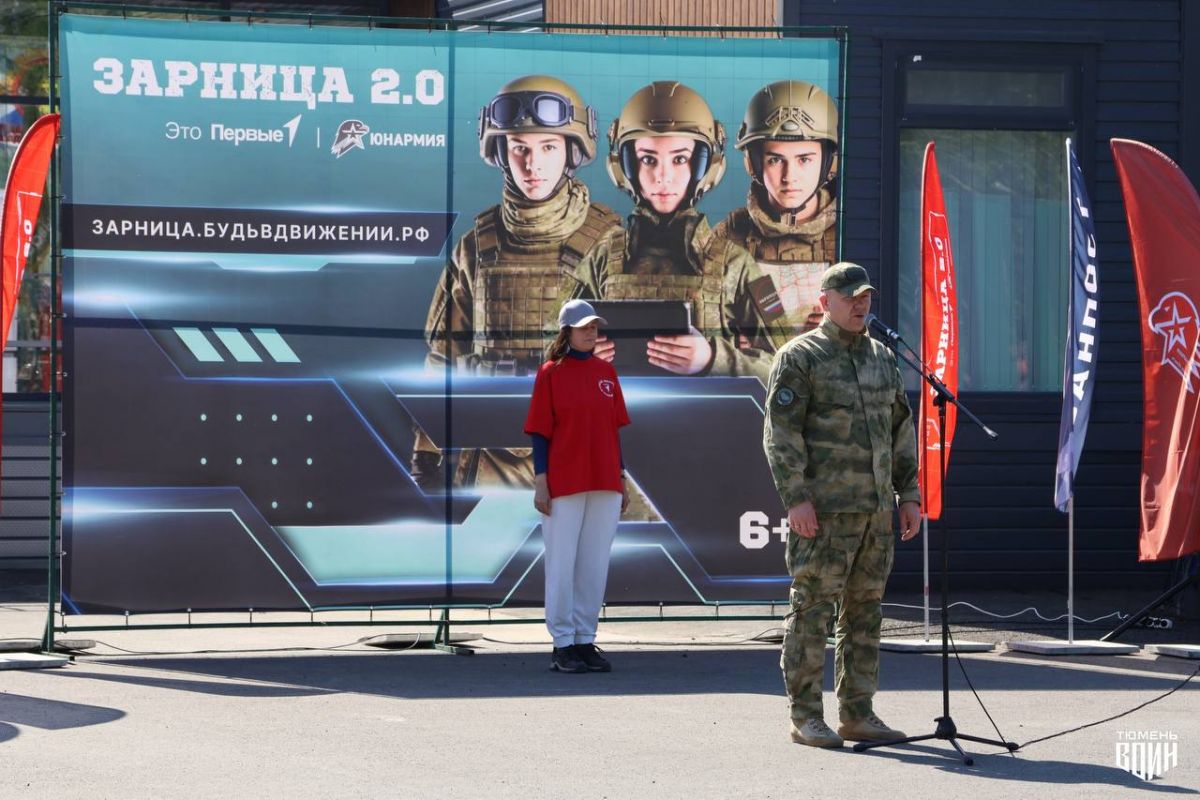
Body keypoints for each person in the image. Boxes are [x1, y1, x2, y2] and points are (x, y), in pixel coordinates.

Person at [413, 75, 624, 490]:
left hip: (580, 450)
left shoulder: (610, 243)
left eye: (548, 147)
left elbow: (640, 367)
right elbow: (444, 357)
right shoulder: (475, 248)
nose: (532, 164)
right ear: (500, 152)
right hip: (491, 461)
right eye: (519, 148)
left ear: (572, 151)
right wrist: (426, 451)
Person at [762, 262, 922, 748]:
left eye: (865, 297)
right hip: (824, 514)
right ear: (825, 302)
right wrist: (796, 499)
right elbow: (781, 434)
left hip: (874, 513)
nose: (860, 305)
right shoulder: (801, 357)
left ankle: (858, 713)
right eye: (850, 297)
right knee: (812, 610)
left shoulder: (882, 359)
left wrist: (909, 494)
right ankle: (806, 716)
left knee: (865, 613)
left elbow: (900, 431)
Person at [596, 81, 790, 382]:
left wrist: (713, 358)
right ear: (627, 166)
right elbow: (549, 344)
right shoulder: (602, 258)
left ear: (704, 166)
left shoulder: (737, 265)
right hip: (614, 409)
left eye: (680, 159)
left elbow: (787, 365)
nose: (663, 177)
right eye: (648, 159)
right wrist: (577, 352)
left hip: (710, 412)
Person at [524, 299, 631, 673]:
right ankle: (562, 644)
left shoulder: (607, 372)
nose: (591, 332)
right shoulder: (550, 373)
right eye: (584, 326)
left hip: (604, 479)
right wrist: (541, 482)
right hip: (564, 481)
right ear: (566, 331)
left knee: (594, 564)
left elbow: (613, 430)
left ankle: (585, 639)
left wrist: (621, 477)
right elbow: (539, 431)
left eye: (594, 326)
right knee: (561, 563)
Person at [713, 80, 839, 336]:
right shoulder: (728, 236)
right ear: (753, 164)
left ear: (829, 163)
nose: (789, 177)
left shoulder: (847, 236)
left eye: (804, 159)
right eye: (775, 160)